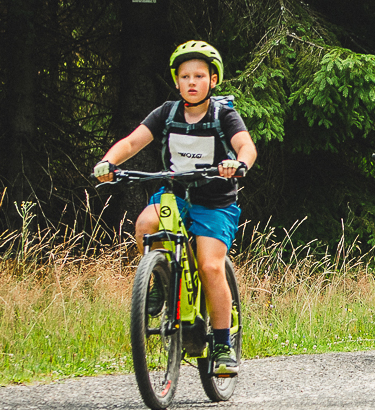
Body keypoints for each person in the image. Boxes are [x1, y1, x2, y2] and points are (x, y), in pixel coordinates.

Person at [93, 41, 258, 376]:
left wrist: (238, 163)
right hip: (176, 196)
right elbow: (132, 142)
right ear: (177, 81)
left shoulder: (223, 114)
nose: (192, 82)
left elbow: (246, 145)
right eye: (185, 76)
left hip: (215, 202)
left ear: (213, 80)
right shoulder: (166, 113)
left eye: (199, 76)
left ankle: (224, 343)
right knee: (145, 225)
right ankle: (158, 283)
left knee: (210, 266)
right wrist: (109, 161)